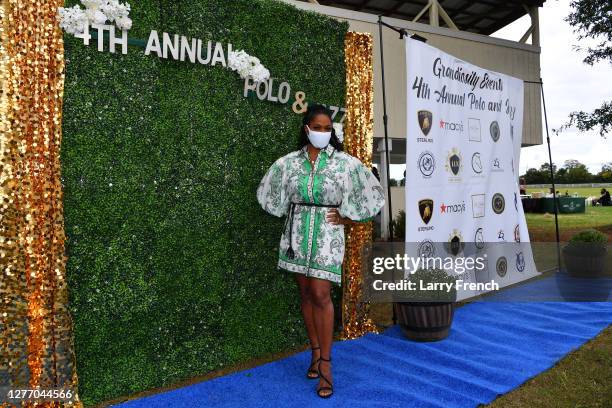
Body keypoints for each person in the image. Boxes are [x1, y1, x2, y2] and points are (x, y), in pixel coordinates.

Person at [256, 104, 385, 398]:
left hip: (328, 233)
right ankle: (314, 352)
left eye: (328, 128)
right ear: (307, 128)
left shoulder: (345, 163)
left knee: (320, 294)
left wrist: (348, 217)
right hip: (296, 233)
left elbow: (372, 194)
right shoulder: (289, 163)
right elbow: (269, 192)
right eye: (318, 127)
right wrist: (286, 209)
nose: (323, 133)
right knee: (305, 294)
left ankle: (326, 365)